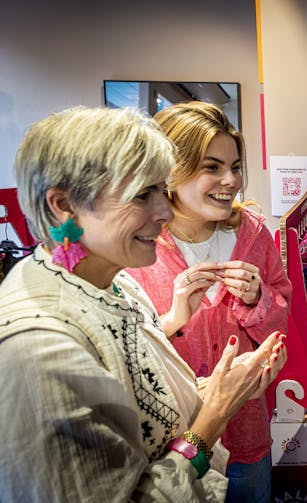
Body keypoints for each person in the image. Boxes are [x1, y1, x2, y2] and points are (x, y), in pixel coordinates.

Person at [0, 106, 287, 502]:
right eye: (143, 194)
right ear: (64, 206)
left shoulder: (114, 283)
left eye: (161, 189)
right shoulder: (38, 348)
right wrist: (216, 411)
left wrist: (225, 384)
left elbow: (149, 395)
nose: (165, 211)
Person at [127, 101, 292, 503]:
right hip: (173, 443)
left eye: (235, 167)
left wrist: (259, 299)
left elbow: (282, 316)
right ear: (171, 171)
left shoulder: (251, 231)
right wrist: (171, 319)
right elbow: (125, 348)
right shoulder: (138, 245)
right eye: (212, 167)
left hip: (247, 433)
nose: (231, 181)